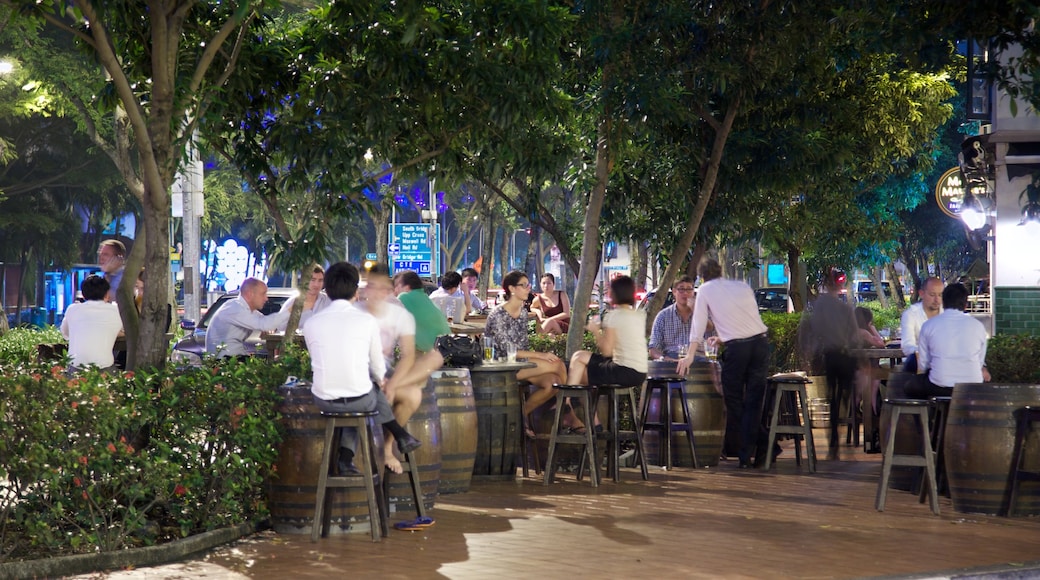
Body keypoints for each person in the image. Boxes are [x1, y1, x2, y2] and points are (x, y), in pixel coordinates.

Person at [304, 261, 421, 475]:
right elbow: (377, 368)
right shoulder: (366, 321)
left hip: (322, 400)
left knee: (357, 392)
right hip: (360, 399)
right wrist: (381, 381)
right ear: (355, 290)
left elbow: (318, 360)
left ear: (326, 289)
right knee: (367, 391)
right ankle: (398, 433)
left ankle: (347, 459)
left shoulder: (311, 323)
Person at [677, 258, 770, 468]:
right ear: (721, 272)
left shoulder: (706, 290)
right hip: (760, 344)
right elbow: (747, 319)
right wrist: (723, 337)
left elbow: (698, 326)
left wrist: (690, 356)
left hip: (739, 350)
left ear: (702, 277)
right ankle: (761, 448)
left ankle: (753, 451)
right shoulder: (741, 285)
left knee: (734, 401)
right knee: (754, 402)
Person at [359, 264, 431, 473]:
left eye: (381, 288)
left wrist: (393, 383)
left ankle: (388, 446)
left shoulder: (400, 314)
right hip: (359, 372)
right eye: (370, 286)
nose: (374, 292)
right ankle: (392, 439)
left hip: (385, 371)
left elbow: (408, 356)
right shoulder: (355, 312)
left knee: (413, 395)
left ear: (390, 291)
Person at [484, 270, 572, 430]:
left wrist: (538, 357)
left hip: (521, 363)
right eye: (523, 285)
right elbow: (507, 350)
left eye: (528, 285)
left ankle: (519, 416)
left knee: (554, 382)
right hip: (501, 365)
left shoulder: (523, 313)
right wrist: (541, 355)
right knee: (558, 364)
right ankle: (568, 412)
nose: (528, 289)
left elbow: (522, 346)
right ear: (512, 289)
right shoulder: (498, 314)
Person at [797, 267, 859, 460]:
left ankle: (834, 442)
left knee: (832, 397)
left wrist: (808, 351)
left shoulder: (817, 306)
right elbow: (854, 335)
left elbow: (809, 330)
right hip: (845, 357)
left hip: (830, 356)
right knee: (844, 397)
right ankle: (843, 436)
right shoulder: (845, 308)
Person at [566, 275, 648, 390]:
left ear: (615, 293)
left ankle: (568, 401)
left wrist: (595, 331)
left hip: (623, 370)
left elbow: (607, 351)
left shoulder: (614, 316)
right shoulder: (639, 315)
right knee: (578, 356)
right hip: (640, 372)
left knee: (579, 366)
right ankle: (572, 402)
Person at [909, 282, 990, 398]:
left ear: (944, 302)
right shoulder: (978, 326)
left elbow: (924, 363)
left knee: (910, 386)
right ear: (965, 304)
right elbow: (980, 361)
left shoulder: (929, 325)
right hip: (972, 387)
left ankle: (929, 416)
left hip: (939, 386)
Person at [205, 277, 290, 358]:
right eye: (263, 294)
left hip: (231, 358)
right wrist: (289, 310)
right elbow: (265, 324)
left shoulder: (246, 310)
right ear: (250, 294)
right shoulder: (235, 308)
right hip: (225, 361)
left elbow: (268, 323)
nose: (266, 298)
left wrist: (270, 327)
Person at [61, 274, 123, 370]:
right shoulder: (117, 310)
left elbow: (65, 334)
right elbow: (124, 332)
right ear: (107, 294)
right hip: (105, 367)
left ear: (84, 294)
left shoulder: (72, 309)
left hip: (75, 367)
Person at [855, 306, 886, 453]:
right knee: (877, 389)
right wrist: (872, 328)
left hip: (856, 374)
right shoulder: (863, 333)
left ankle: (874, 429)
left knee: (879, 380)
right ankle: (874, 432)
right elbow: (881, 344)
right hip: (865, 375)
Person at [900, 277, 943, 373]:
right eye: (932, 295)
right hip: (919, 367)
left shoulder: (947, 313)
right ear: (921, 294)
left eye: (940, 295)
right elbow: (907, 346)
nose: (937, 300)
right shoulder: (910, 314)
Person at [648, 275, 696, 360]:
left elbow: (712, 336)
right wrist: (663, 358)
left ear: (693, 292)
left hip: (697, 358)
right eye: (681, 289)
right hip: (671, 359)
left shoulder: (702, 313)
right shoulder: (663, 316)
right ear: (674, 292)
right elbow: (653, 349)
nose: (685, 293)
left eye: (689, 289)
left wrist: (697, 312)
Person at [278, 265, 331, 330]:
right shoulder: (293, 302)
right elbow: (280, 326)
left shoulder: (328, 301)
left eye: (320, 280)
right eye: (313, 280)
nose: (316, 284)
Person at [97, 239, 126, 303]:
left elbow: (108, 298)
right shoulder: (106, 274)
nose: (101, 257)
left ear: (119, 258)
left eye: (105, 254)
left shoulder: (125, 277)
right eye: (100, 254)